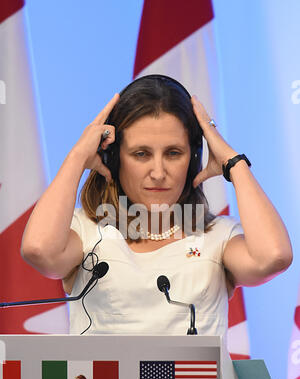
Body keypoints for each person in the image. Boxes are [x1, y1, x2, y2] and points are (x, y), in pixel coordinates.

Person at [21, 75, 293, 338]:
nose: (159, 172)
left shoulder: (218, 235)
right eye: (141, 154)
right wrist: (78, 156)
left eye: (173, 153)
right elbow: (39, 250)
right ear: (114, 159)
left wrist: (234, 163)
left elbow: (273, 257)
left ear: (194, 157)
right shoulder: (86, 231)